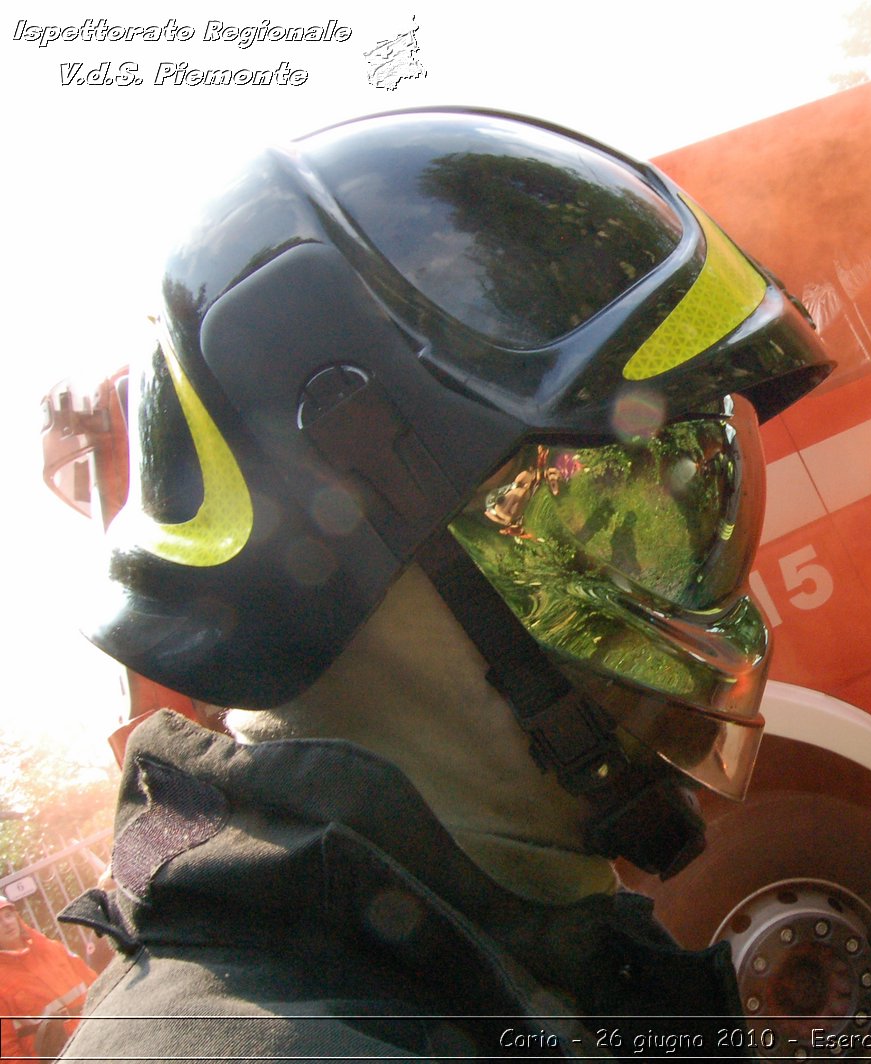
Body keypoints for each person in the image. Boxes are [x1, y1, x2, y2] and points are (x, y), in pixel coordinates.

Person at [46, 107, 831, 1059]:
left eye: (707, 494)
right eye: (619, 509)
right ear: (383, 503)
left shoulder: (479, 949)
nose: (699, 580)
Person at [0, 898, 97, 1060]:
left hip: (96, 1037)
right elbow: (7, 1050)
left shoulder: (51, 948)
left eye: (8, 915)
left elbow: (95, 982)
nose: (6, 923)